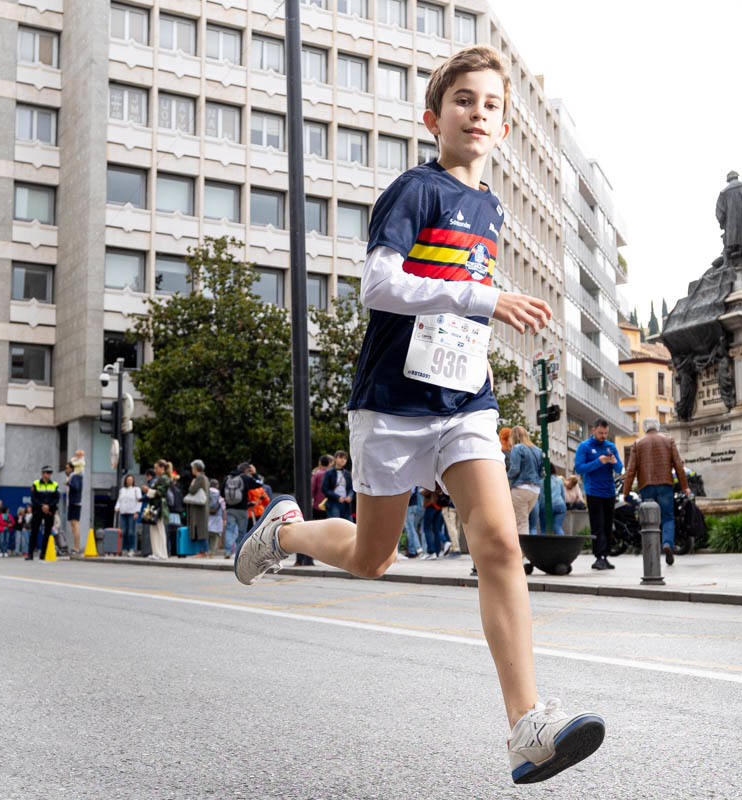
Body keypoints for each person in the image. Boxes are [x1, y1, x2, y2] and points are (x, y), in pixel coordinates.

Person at [231, 45, 603, 784]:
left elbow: (458, 300)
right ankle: (286, 530)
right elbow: (380, 284)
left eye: (492, 105)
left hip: (464, 400)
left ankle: (527, 725)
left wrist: (482, 333)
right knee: (374, 557)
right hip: (394, 403)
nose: (478, 112)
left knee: (496, 542)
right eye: (464, 100)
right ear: (434, 118)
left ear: (503, 129)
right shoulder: (416, 192)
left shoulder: (494, 209)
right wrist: (483, 300)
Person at [623, 419, 691, 566]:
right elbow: (679, 465)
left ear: (644, 428)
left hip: (646, 486)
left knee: (650, 521)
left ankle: (652, 550)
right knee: (667, 517)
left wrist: (626, 492)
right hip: (665, 485)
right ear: (658, 427)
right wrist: (685, 486)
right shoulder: (669, 440)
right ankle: (667, 543)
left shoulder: (637, 444)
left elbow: (630, 470)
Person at [573, 419, 622, 570]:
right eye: (601, 433)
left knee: (608, 525)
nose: (603, 436)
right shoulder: (584, 447)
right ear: (593, 430)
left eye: (606, 433)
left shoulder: (611, 446)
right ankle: (598, 556)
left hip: (609, 491)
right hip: (593, 492)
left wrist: (614, 462)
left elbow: (620, 469)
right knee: (598, 525)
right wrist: (598, 462)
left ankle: (605, 556)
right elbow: (579, 468)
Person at [506, 426, 542, 537]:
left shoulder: (517, 448)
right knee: (523, 520)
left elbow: (515, 469)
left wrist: (505, 478)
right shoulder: (538, 450)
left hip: (520, 488)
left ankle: (521, 552)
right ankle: (522, 551)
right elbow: (541, 472)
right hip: (535, 490)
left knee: (521, 523)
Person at [299, 455, 333, 567]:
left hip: (318, 505)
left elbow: (312, 488)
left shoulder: (317, 474)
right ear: (329, 463)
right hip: (330, 504)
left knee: (317, 529)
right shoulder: (331, 474)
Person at [26, 466, 59, 561]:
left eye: (50, 473)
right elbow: (33, 498)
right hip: (38, 510)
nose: (49, 475)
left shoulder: (54, 484)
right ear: (42, 473)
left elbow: (56, 498)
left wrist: (48, 506)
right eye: (47, 473)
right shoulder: (36, 483)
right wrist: (42, 505)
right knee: (34, 532)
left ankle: (43, 553)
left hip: (49, 511)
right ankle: (30, 554)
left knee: (47, 533)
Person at [141, 460, 171, 560]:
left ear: (162, 468)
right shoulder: (160, 478)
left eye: (156, 468)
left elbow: (161, 492)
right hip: (155, 505)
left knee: (159, 529)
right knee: (154, 529)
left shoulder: (164, 478)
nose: (155, 470)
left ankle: (161, 553)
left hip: (159, 505)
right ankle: (156, 553)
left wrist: (148, 490)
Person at [184, 460, 211, 557]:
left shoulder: (199, 478)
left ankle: (203, 551)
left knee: (200, 529)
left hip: (200, 509)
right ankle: (205, 550)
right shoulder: (205, 478)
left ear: (195, 469)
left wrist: (192, 484)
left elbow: (192, 490)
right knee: (203, 528)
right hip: (204, 507)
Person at [320, 451, 354, 520]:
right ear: (335, 459)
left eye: (345, 458)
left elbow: (351, 488)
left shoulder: (347, 473)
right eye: (341, 457)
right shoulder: (329, 473)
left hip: (346, 504)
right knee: (335, 525)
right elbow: (324, 489)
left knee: (349, 524)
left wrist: (350, 496)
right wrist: (337, 497)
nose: (343, 460)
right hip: (333, 504)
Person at [115, 474, 142, 556]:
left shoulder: (136, 489)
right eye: (128, 479)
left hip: (132, 513)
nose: (129, 481)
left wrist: (137, 512)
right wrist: (117, 507)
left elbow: (139, 501)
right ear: (125, 481)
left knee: (131, 531)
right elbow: (119, 500)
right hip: (123, 513)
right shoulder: (122, 490)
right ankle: (124, 548)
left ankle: (131, 548)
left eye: (131, 479)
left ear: (133, 481)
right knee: (123, 531)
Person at [63, 461, 83, 556]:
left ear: (72, 468)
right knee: (72, 524)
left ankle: (77, 547)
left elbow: (76, 487)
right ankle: (75, 547)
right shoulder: (71, 477)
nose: (65, 470)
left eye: (67, 468)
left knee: (75, 524)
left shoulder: (76, 476)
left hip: (75, 502)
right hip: (71, 503)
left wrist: (68, 483)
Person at [403, 486, 425, 558]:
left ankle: (416, 549)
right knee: (411, 528)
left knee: (410, 528)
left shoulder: (409, 481)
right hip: (413, 506)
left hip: (410, 506)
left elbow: (411, 492)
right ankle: (413, 550)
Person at [208, 485, 227, 558]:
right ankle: (212, 552)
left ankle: (207, 551)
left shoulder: (207, 493)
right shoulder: (219, 495)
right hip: (218, 517)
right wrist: (224, 519)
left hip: (208, 516)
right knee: (216, 535)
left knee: (208, 534)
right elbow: (223, 508)